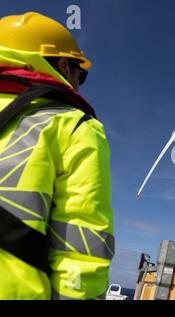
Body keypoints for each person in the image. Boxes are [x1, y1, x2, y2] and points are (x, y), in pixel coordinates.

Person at [0, 12, 114, 300]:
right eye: (81, 74)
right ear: (63, 65)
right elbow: (82, 246)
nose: (80, 82)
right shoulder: (73, 125)